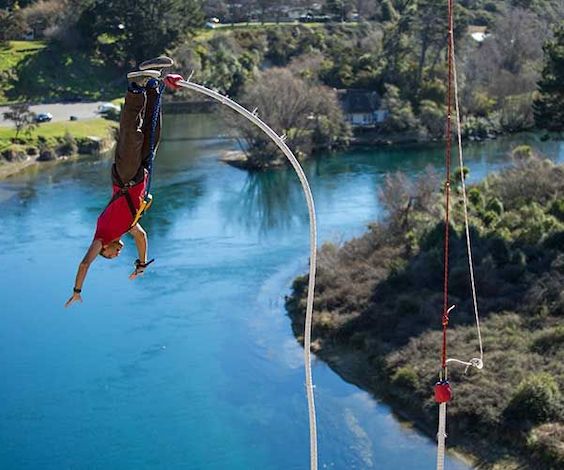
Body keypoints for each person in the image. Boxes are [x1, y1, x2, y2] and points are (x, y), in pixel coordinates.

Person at [65, 56, 183, 307]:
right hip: (141, 174)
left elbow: (85, 262)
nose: (116, 254)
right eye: (115, 255)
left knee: (132, 135)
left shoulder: (102, 235)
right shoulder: (128, 227)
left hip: (125, 176)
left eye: (110, 255)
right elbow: (142, 238)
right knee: (153, 132)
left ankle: (135, 88)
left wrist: (77, 290)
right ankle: (152, 84)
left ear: (103, 249)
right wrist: (141, 264)